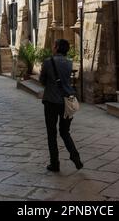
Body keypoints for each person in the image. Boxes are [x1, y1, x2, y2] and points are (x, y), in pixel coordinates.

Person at [39, 38, 83, 173]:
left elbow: (42, 81)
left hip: (51, 101)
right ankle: (75, 156)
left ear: (57, 47)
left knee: (51, 133)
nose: (52, 47)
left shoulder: (48, 62)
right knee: (65, 132)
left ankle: (55, 163)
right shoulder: (69, 63)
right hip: (66, 102)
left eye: (54, 45)